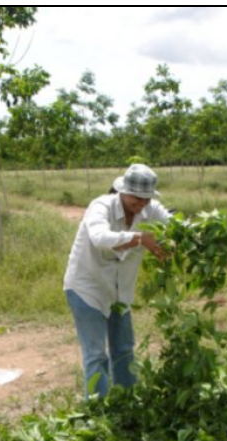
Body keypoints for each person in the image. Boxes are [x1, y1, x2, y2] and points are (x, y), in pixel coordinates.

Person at [63, 163, 171, 398]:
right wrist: (141, 238)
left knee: (123, 349)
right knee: (96, 354)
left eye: (147, 199)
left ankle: (126, 401)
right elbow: (100, 237)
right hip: (87, 288)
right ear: (123, 190)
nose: (142, 203)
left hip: (119, 293)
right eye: (137, 198)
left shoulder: (150, 209)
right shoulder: (101, 206)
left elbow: (173, 222)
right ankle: (97, 410)